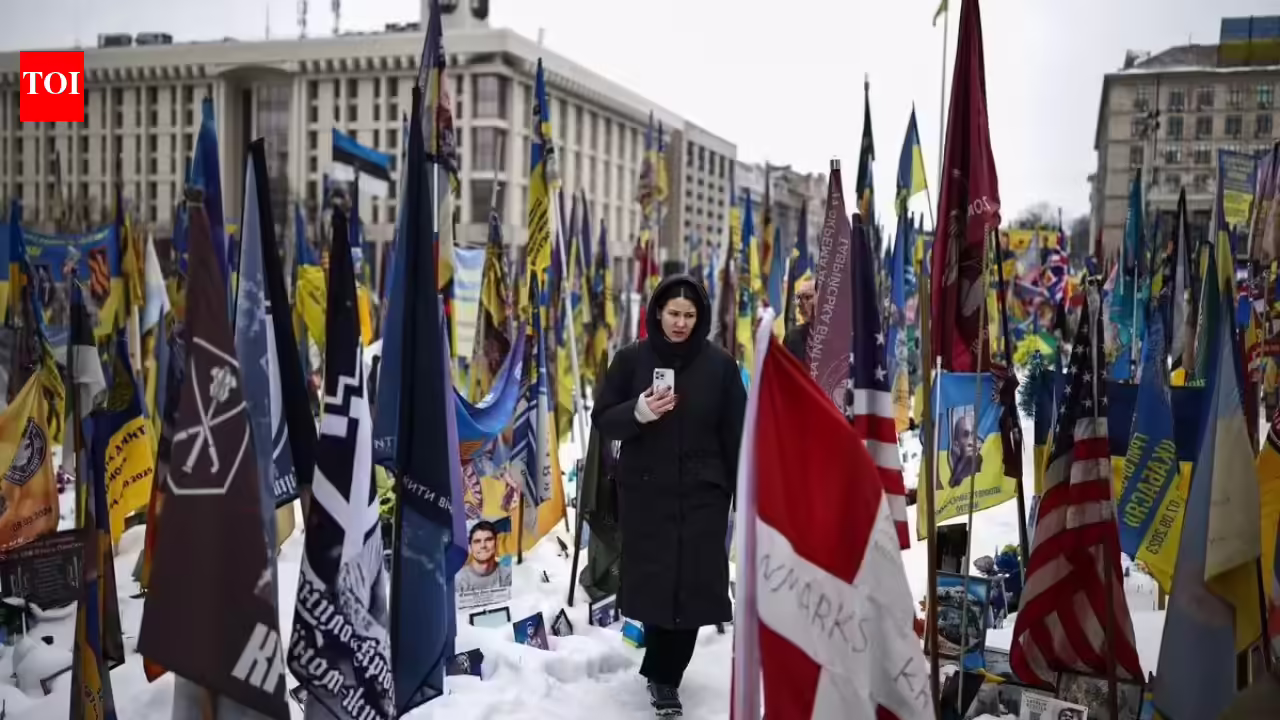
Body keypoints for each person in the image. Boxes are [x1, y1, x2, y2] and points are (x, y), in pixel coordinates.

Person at [592, 274, 746, 719]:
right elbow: (604, 418)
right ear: (657, 312)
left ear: (701, 318)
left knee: (695, 584)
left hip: (703, 494)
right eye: (673, 313)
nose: (680, 323)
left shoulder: (720, 366)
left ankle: (665, 675)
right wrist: (638, 412)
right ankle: (662, 673)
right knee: (657, 582)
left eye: (689, 315)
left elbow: (737, 434)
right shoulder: (631, 360)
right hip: (647, 493)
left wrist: (744, 494)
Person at [455, 521, 510, 594]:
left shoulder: (508, 574)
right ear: (470, 547)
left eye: (488, 540)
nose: (483, 545)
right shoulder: (459, 580)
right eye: (477, 541)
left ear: (496, 543)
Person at [783, 277, 816, 362]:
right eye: (799, 298)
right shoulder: (792, 337)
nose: (801, 304)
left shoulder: (839, 337)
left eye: (808, 297)